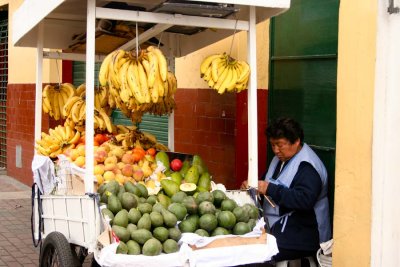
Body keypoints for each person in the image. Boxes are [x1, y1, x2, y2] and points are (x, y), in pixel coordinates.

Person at [241, 117, 331, 264]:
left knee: (257, 256)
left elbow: (304, 200)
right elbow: (266, 182)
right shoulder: (280, 159)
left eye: (280, 145)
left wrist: (269, 188)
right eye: (272, 145)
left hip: (304, 233)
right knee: (243, 245)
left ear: (296, 141)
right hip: (276, 226)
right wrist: (254, 187)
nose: (276, 150)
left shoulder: (308, 167)